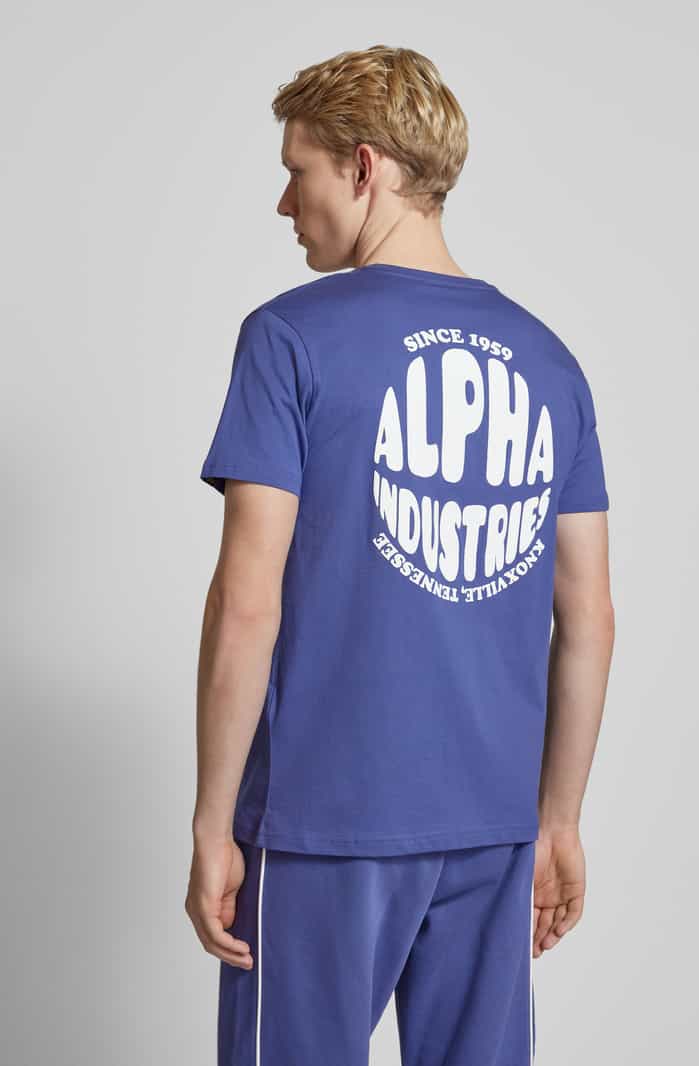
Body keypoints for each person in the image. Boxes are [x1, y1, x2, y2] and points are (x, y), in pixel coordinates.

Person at [185, 44, 615, 1066]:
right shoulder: (548, 362)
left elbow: (248, 603)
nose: (284, 203)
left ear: (364, 166)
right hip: (491, 825)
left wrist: (211, 822)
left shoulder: (288, 339)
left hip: (319, 824)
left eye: (297, 170)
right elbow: (589, 617)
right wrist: (556, 820)